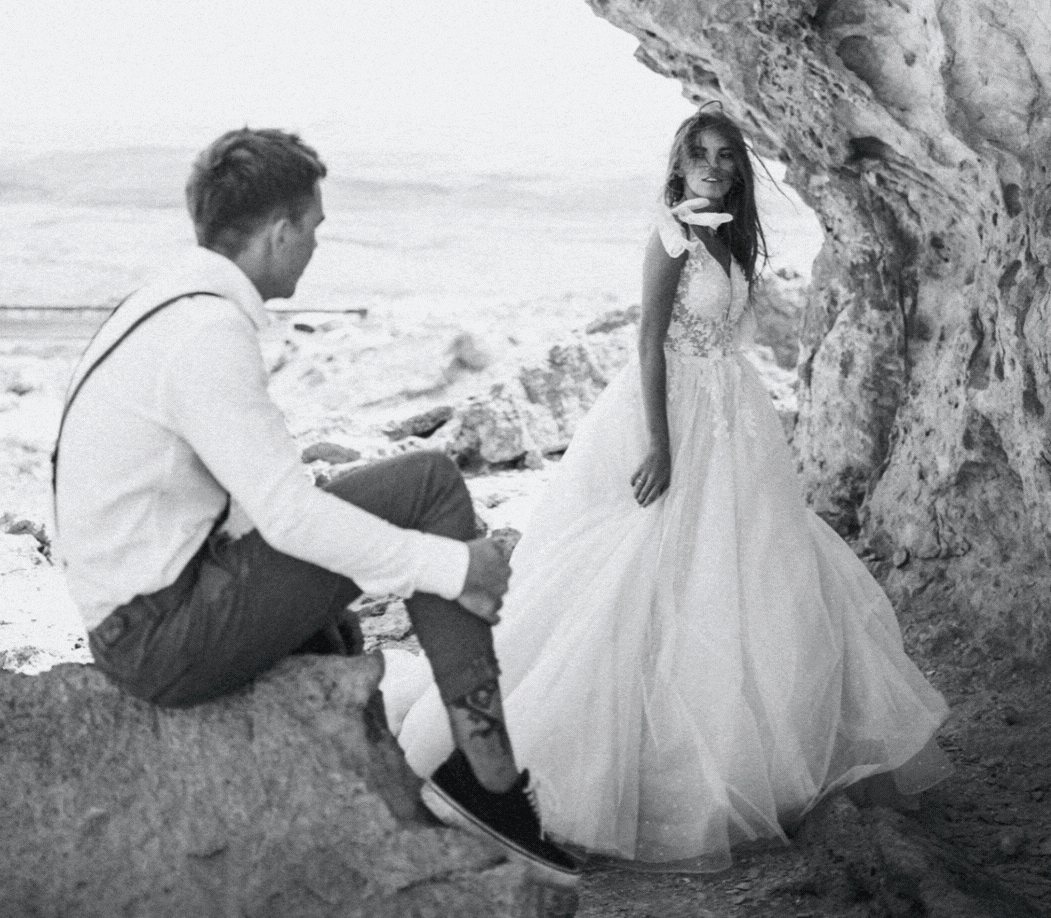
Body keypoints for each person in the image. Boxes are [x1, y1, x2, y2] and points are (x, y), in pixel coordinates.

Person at [396, 105, 951, 870]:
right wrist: (661, 444)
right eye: (701, 154)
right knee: (635, 574)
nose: (715, 166)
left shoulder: (720, 232)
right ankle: (531, 769)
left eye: (727, 155)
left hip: (733, 416)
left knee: (746, 576)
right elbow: (647, 346)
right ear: (679, 162)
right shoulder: (669, 232)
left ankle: (753, 758)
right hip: (678, 414)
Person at [52, 127, 579, 893]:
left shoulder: (164, 304)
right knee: (428, 484)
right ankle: (490, 781)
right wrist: (457, 564)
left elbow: (249, 498)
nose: (316, 248)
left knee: (339, 617)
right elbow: (289, 517)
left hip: (149, 605)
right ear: (281, 231)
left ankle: (391, 787)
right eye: (316, 230)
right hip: (158, 634)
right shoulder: (207, 332)